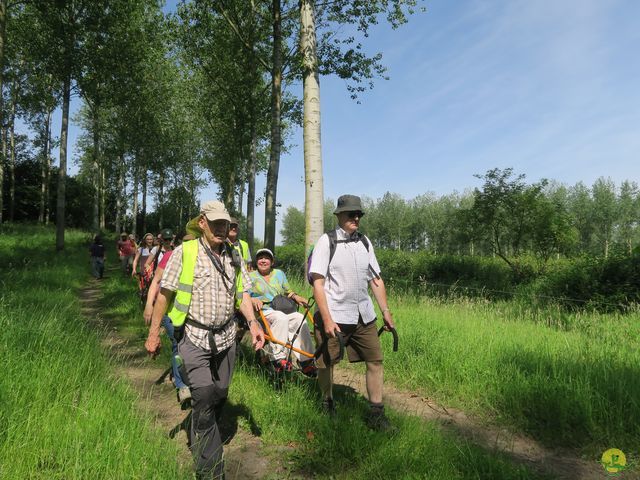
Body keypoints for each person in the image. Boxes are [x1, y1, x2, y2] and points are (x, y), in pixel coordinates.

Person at [144, 200, 265, 480]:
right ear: (202, 223)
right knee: (203, 394)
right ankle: (211, 469)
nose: (222, 229)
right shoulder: (183, 253)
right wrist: (154, 333)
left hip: (226, 338)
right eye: (216, 223)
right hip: (193, 337)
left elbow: (243, 294)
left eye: (226, 224)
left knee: (220, 392)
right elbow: (165, 293)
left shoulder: (234, 255)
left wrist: (253, 323)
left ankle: (203, 421)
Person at [309, 194, 396, 432]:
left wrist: (385, 311)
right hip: (335, 316)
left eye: (358, 214)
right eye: (351, 214)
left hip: (363, 315)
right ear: (339, 216)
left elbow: (376, 280)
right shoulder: (326, 242)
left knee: (376, 360)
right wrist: (326, 318)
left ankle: (376, 413)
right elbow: (317, 282)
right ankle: (327, 402)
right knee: (327, 363)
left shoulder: (365, 242)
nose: (355, 217)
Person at [249, 248, 317, 376]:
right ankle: (278, 358)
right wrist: (252, 299)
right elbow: (243, 295)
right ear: (256, 261)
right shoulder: (250, 276)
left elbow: (288, 291)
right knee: (281, 318)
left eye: (267, 258)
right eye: (260, 258)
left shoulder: (279, 274)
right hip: (263, 311)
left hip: (281, 308)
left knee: (299, 317)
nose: (263, 261)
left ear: (272, 261)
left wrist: (297, 297)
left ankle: (306, 361)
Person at [143, 234, 190, 405]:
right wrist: (149, 304)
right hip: (171, 313)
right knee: (179, 345)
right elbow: (156, 281)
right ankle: (182, 385)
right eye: (185, 243)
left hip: (192, 316)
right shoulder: (171, 256)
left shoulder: (204, 257)